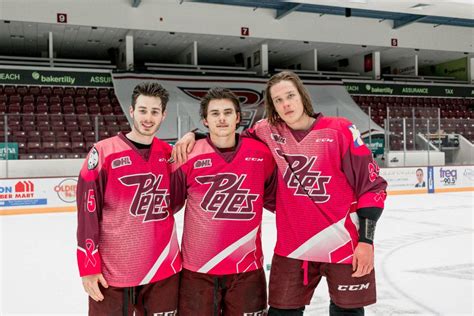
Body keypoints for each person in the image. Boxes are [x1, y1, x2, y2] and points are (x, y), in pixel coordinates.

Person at [173, 71, 388, 315]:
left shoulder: (341, 131)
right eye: (278, 100)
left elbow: (372, 186)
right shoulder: (267, 131)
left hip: (342, 244)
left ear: (302, 96)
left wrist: (366, 241)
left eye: (290, 96)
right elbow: (226, 135)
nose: (286, 104)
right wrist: (195, 134)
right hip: (292, 248)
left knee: (347, 311)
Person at [76, 82, 181, 315]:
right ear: (132, 111)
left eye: (155, 111)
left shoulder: (169, 155)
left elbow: (176, 202)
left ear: (163, 116)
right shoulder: (103, 152)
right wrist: (88, 266)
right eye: (143, 110)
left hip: (163, 269)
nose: (148, 117)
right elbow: (87, 213)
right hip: (113, 272)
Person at [170, 88, 277, 315]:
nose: (222, 118)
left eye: (228, 112)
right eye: (215, 113)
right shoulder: (188, 155)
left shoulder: (261, 154)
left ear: (238, 117)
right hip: (197, 271)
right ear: (204, 121)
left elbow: (280, 202)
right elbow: (167, 208)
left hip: (247, 270)